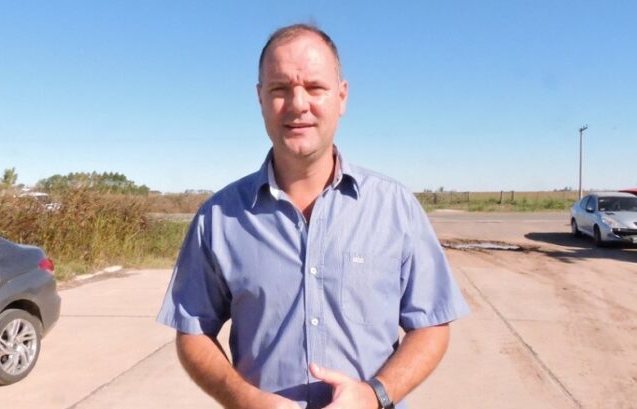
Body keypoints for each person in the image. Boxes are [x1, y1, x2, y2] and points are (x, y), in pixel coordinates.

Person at [158, 24, 469, 409]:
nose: (298, 103)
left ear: (342, 97)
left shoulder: (395, 208)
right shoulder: (219, 219)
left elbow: (431, 325)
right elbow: (192, 332)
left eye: (315, 87)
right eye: (280, 89)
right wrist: (244, 399)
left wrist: (375, 395)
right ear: (260, 98)